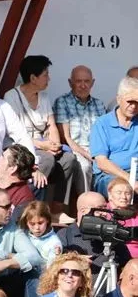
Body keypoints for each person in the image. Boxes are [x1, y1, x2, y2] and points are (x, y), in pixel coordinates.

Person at [3, 55, 76, 200]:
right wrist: (44, 146)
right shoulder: (11, 97)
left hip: (44, 145)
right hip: (21, 147)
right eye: (45, 75)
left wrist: (54, 145)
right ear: (33, 78)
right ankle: (28, 201)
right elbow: (15, 134)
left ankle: (58, 206)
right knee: (47, 159)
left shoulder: (44, 96)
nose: (49, 79)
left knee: (68, 159)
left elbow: (51, 124)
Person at [55, 65, 106, 199]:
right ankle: (86, 204)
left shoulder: (99, 104)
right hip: (75, 149)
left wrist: (99, 154)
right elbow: (66, 138)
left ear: (92, 83)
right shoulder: (62, 102)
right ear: (70, 83)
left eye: (87, 81)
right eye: (78, 81)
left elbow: (104, 134)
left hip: (97, 149)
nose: (83, 85)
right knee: (85, 166)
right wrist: (89, 155)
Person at [90, 76, 138, 197]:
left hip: (136, 174)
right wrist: (130, 179)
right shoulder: (102, 123)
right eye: (130, 101)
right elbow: (102, 162)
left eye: (137, 102)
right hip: (110, 176)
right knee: (121, 190)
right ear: (118, 99)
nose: (133, 106)